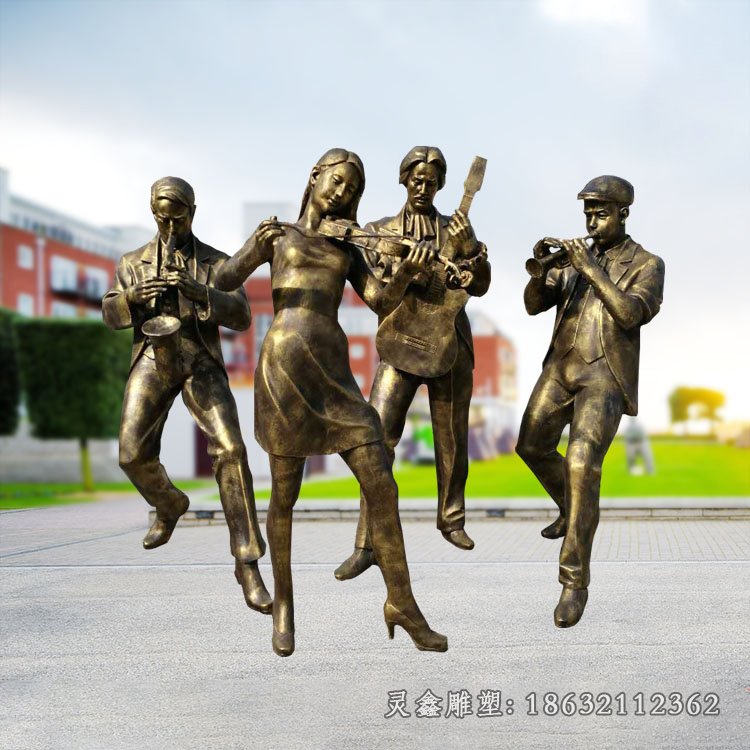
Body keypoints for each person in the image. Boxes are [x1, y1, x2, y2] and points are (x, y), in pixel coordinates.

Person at [215, 148, 447, 657]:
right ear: (315, 176)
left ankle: (401, 603)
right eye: (337, 181)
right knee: (284, 495)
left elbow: (380, 299)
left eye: (352, 189)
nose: (342, 193)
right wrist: (252, 247)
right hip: (283, 366)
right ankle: (284, 606)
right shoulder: (279, 235)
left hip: (334, 373)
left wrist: (407, 274)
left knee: (381, 483)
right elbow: (223, 280)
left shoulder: (349, 244)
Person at [102, 176, 271, 614]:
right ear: (153, 213)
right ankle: (170, 503)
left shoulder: (217, 262)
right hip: (152, 357)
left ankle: (247, 562)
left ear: (192, 214)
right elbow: (110, 313)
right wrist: (132, 298)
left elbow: (242, 316)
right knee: (130, 455)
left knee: (232, 450)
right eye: (162, 218)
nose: (170, 226)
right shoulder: (132, 261)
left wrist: (202, 293)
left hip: (200, 360)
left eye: (178, 218)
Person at [335, 146, 491, 582]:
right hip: (400, 344)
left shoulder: (456, 228)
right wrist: (406, 273)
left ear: (442, 185)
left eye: (431, 182)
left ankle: (452, 519)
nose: (423, 188)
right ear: (403, 179)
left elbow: (480, 285)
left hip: (450, 343)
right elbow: (376, 296)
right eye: (416, 179)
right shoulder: (379, 232)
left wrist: (471, 248)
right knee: (376, 440)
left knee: (452, 438)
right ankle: (366, 543)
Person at [515, 176, 665, 628]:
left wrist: (592, 271)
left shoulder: (648, 264)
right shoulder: (573, 259)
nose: (592, 223)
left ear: (623, 213)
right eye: (588, 215)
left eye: (601, 214)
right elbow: (533, 305)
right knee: (531, 445)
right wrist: (540, 272)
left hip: (605, 376)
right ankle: (572, 506)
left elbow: (631, 314)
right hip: (561, 368)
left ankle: (573, 581)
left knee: (581, 463)